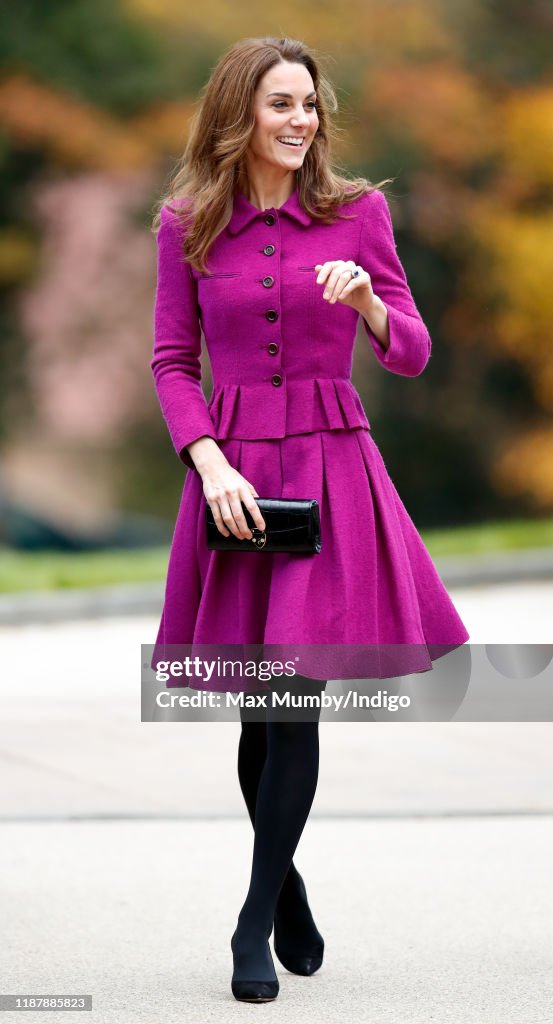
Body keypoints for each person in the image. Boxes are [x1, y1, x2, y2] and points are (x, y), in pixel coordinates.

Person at [150, 36, 470, 1003]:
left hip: (332, 470)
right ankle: (284, 885)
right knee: (260, 697)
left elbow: (411, 352)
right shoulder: (186, 225)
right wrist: (206, 462)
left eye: (309, 105)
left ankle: (250, 919)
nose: (300, 122)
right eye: (280, 105)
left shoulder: (359, 214)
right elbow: (172, 361)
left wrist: (370, 300)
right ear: (237, 114)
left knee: (293, 697)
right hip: (237, 473)